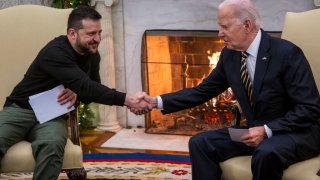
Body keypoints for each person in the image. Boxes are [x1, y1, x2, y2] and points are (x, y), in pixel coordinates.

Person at [138, 0, 320, 179]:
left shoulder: (287, 54)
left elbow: (310, 109)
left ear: (247, 25)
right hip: (254, 131)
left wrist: (266, 130)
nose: (219, 34)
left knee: (266, 152)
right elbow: (203, 91)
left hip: (296, 133)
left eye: (225, 27)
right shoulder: (230, 55)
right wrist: (156, 101)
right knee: (200, 143)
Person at [0, 6, 149, 180]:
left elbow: (91, 89)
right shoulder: (55, 51)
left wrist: (77, 93)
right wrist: (128, 100)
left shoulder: (92, 55)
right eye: (91, 34)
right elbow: (86, 86)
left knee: (53, 145)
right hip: (20, 109)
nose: (98, 39)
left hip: (52, 117)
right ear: (72, 33)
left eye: (99, 32)